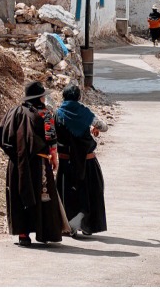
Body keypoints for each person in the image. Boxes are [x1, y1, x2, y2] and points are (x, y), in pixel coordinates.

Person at [0, 81, 69, 246]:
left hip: (16, 163)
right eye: (43, 95)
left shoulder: (12, 113)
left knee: (19, 194)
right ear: (40, 98)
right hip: (39, 162)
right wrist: (54, 158)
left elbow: (1, 135)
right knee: (41, 195)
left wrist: (17, 154)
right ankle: (43, 232)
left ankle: (23, 235)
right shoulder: (45, 114)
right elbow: (51, 139)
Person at [55, 84, 108, 237]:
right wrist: (91, 128)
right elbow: (104, 127)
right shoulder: (86, 114)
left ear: (63, 97)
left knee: (68, 193)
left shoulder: (57, 114)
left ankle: (69, 226)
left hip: (66, 162)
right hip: (87, 161)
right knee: (91, 192)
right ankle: (86, 226)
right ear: (79, 98)